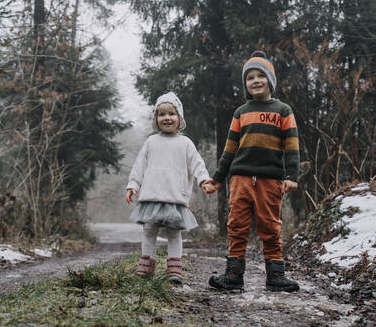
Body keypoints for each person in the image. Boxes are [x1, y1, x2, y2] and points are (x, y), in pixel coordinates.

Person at [206, 51, 300, 292]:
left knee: (270, 226)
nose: (256, 81)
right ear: (245, 85)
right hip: (240, 179)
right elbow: (229, 149)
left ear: (270, 80)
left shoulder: (283, 110)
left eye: (261, 76)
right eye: (250, 78)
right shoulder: (241, 112)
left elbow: (291, 145)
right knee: (236, 225)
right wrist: (217, 178)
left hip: (270, 179)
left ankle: (276, 276)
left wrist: (291, 176)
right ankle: (234, 275)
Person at [125, 91, 213, 284]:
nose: (167, 118)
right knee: (149, 231)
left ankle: (174, 269)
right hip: (152, 196)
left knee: (174, 234)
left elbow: (197, 164)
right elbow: (140, 165)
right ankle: (146, 267)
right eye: (162, 114)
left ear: (179, 118)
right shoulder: (151, 142)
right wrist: (133, 185)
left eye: (171, 114)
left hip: (175, 197)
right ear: (156, 119)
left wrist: (204, 180)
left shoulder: (185, 143)